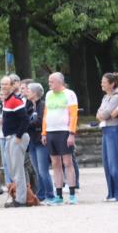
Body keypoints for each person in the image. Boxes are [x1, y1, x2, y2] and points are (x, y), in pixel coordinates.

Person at [41, 73, 79, 206]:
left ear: (59, 82)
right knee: (55, 163)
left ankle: (73, 194)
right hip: (51, 131)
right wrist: (44, 132)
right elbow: (45, 114)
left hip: (64, 131)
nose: (49, 84)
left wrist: (72, 133)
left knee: (67, 162)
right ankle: (59, 195)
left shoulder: (70, 94)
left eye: (51, 82)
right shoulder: (48, 94)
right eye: (49, 81)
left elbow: (73, 115)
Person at [96, 74, 118, 202]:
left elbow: (105, 114)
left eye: (104, 82)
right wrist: (102, 115)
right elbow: (99, 113)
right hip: (105, 130)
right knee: (107, 163)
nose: (102, 84)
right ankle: (112, 192)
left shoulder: (116, 98)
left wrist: (102, 115)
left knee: (115, 162)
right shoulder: (105, 97)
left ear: (112, 84)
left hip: (114, 130)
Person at [0, 76, 31, 207]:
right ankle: (18, 196)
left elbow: (25, 119)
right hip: (10, 137)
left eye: (7, 84)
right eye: (2, 84)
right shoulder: (7, 101)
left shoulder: (15, 101)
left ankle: (21, 199)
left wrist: (18, 136)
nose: (4, 87)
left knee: (17, 169)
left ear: (12, 86)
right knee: (12, 169)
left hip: (16, 137)